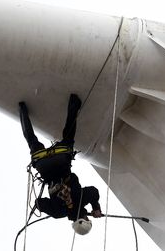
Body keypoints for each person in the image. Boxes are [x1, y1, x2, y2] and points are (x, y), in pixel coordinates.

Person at [18, 94, 102, 234]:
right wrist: (55, 206)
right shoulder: (58, 213)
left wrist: (95, 208)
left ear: (85, 218)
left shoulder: (83, 199)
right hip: (43, 164)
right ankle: (22, 110)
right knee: (32, 141)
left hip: (61, 160)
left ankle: (74, 103)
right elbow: (39, 203)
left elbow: (94, 191)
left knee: (68, 136)